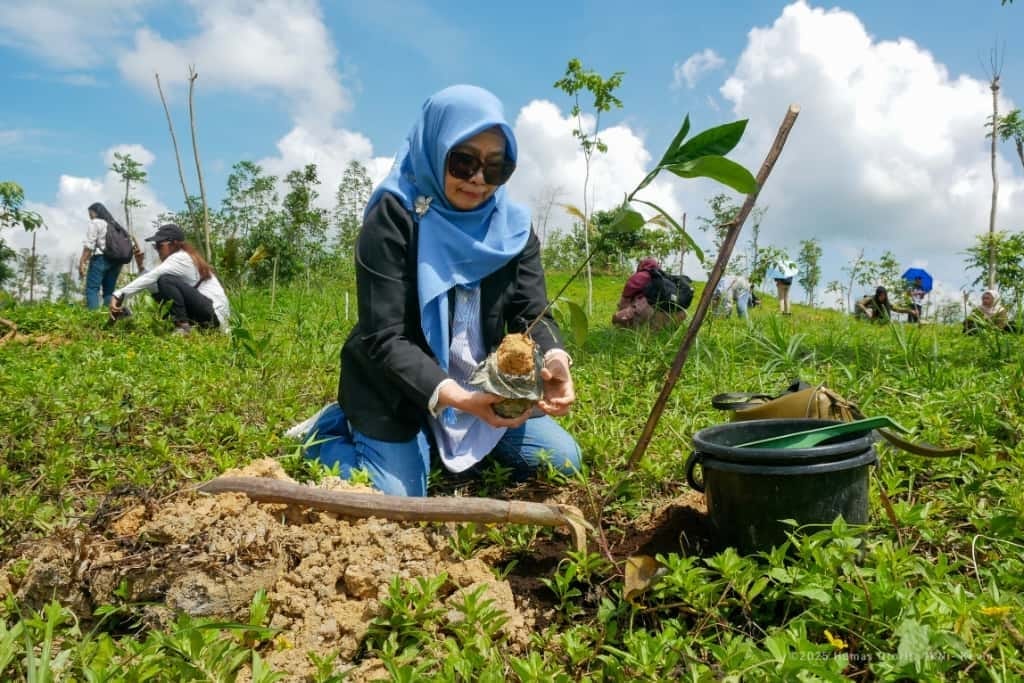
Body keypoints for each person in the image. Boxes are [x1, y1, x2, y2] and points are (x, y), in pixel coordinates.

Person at [298, 85, 581, 497]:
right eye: (463, 162)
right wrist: (457, 398)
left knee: (563, 461)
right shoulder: (395, 215)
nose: (479, 180)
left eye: (496, 167)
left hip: (483, 386)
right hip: (397, 387)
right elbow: (384, 336)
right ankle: (327, 432)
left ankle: (433, 443)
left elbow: (531, 312)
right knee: (395, 500)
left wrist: (555, 358)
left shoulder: (513, 227)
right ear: (435, 148)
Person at [108, 223, 230, 335]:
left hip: (213, 314)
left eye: (159, 246)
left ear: (174, 244)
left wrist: (118, 295)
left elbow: (153, 277)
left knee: (165, 280)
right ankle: (185, 327)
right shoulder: (181, 259)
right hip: (209, 316)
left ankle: (183, 328)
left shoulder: (181, 257)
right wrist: (140, 267)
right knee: (162, 290)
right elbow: (154, 286)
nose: (157, 250)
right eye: (155, 246)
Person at [78, 202, 143, 310]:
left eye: (90, 213)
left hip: (101, 259)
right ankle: (109, 315)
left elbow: (89, 245)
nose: (90, 216)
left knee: (92, 289)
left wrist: (82, 262)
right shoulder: (115, 225)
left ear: (95, 212)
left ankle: (93, 318)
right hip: (117, 261)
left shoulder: (96, 222)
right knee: (109, 291)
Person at [611, 257, 686, 330]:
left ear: (641, 265)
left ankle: (624, 328)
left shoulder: (640, 276)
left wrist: (620, 314)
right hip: (675, 315)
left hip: (648, 313)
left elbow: (623, 302)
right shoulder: (665, 279)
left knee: (616, 317)